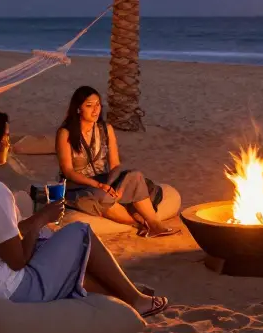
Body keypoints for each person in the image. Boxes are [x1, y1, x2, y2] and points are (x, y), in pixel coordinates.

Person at [0, 107, 168, 317]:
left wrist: (37, 221)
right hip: (7, 291)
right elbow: (17, 262)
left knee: (48, 241)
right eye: (5, 136)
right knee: (80, 233)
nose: (9, 142)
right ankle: (136, 299)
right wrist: (41, 220)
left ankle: (124, 293)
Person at [55, 86, 180, 238]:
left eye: (98, 105)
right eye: (89, 105)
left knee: (135, 176)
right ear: (78, 109)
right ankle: (142, 223)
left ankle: (154, 225)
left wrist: (115, 186)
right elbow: (68, 171)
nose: (95, 110)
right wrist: (99, 185)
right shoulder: (65, 133)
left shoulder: (106, 129)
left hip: (105, 180)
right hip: (79, 185)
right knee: (101, 196)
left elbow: (115, 165)